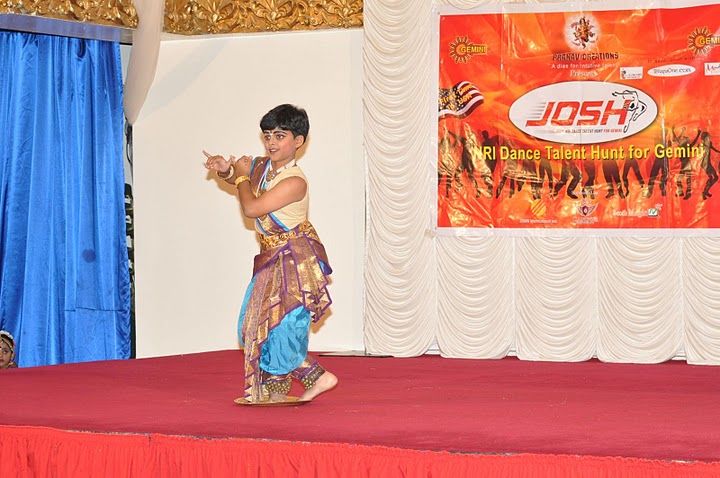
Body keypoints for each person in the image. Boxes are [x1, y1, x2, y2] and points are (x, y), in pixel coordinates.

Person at [203, 104, 337, 403]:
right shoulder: (264, 167)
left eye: (279, 136)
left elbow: (252, 207)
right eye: (267, 136)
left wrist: (240, 177)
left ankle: (286, 388)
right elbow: (239, 175)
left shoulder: (295, 182)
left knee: (283, 326)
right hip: (271, 257)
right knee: (253, 324)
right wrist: (225, 169)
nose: (271, 143)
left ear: (298, 141)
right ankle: (312, 378)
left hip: (294, 261)